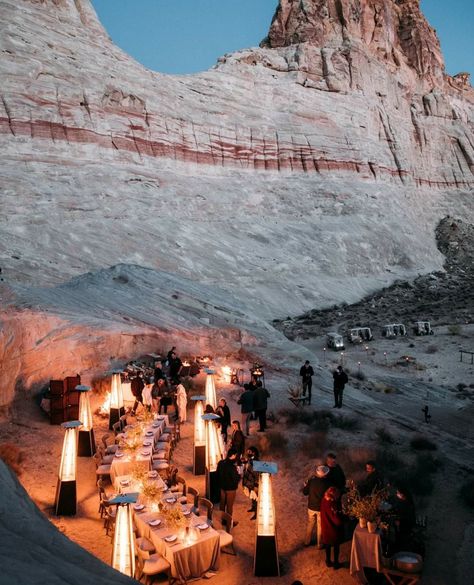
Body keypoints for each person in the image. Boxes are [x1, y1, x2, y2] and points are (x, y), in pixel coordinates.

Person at [302, 464, 332, 548]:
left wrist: (306, 486)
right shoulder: (327, 484)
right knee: (320, 526)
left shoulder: (311, 481)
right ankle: (320, 544)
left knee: (310, 524)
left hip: (311, 507)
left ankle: (306, 542)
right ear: (325, 474)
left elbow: (305, 492)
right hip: (320, 508)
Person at [320, 486, 344, 569]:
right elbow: (337, 520)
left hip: (325, 526)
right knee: (336, 546)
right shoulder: (331, 504)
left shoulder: (324, 500)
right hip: (332, 530)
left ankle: (328, 561)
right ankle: (336, 563)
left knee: (327, 545)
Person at [216, 448, 241, 520]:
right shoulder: (232, 467)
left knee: (222, 503)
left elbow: (217, 474)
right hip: (230, 489)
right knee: (229, 506)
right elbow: (235, 479)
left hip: (222, 487)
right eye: (236, 455)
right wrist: (239, 475)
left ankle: (222, 518)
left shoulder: (221, 462)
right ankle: (229, 521)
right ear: (233, 455)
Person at [392, 485, 416, 550]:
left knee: (395, 525)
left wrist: (399, 522)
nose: (397, 494)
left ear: (402, 495)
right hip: (406, 520)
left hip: (407, 524)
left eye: (398, 493)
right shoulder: (406, 500)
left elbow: (406, 517)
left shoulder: (406, 504)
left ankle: (399, 544)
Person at [242, 446, 259, 519]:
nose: (247, 453)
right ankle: (253, 507)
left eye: (249, 452)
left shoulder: (256, 462)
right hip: (248, 483)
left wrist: (256, 485)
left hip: (252, 483)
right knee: (252, 497)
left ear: (253, 453)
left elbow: (256, 475)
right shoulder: (250, 460)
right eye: (247, 451)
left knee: (255, 497)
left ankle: (256, 513)